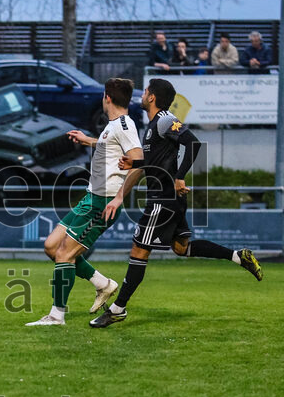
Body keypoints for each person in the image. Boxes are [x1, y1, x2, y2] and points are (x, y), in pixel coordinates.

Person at [89, 78, 264, 328]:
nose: (143, 93)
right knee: (182, 248)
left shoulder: (163, 119)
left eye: (147, 90)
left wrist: (180, 176)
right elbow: (160, 163)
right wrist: (136, 164)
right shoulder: (153, 126)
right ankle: (238, 256)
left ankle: (118, 309)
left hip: (162, 200)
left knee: (139, 251)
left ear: (152, 97)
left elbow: (192, 143)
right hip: (172, 200)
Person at [26, 78, 144, 326]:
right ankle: (103, 284)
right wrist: (87, 139)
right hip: (91, 198)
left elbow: (138, 162)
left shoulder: (123, 124)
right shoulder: (113, 125)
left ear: (107, 97)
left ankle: (56, 315)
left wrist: (119, 197)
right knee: (51, 246)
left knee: (64, 255)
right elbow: (109, 146)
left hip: (103, 202)